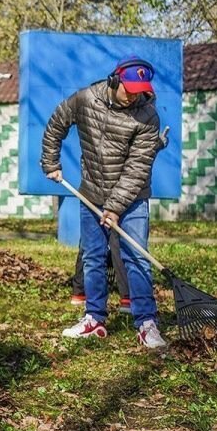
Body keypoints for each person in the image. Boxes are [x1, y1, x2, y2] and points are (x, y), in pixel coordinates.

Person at [43, 57, 166, 349]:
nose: (134, 95)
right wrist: (50, 162)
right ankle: (93, 318)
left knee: (135, 257)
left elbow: (138, 168)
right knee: (92, 257)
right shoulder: (85, 99)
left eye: (140, 90)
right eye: (129, 89)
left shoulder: (148, 116)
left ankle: (146, 323)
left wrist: (114, 207)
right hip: (92, 193)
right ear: (114, 80)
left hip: (132, 199)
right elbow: (56, 124)